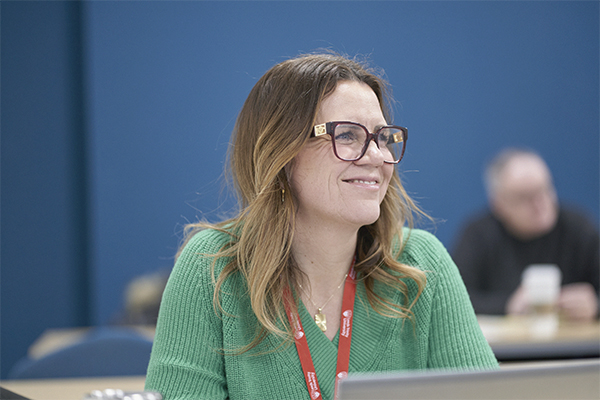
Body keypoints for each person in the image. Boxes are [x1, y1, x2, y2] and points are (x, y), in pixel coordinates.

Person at [145, 53, 498, 400]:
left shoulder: (420, 263)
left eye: (382, 137)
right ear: (281, 152)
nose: (376, 156)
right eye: (347, 135)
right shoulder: (214, 267)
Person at [452, 148, 599, 321]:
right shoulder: (478, 235)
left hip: (574, 345)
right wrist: (507, 305)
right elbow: (455, 299)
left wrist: (595, 304)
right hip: (507, 347)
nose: (540, 204)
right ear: (499, 204)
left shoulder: (578, 228)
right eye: (525, 197)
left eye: (544, 190)